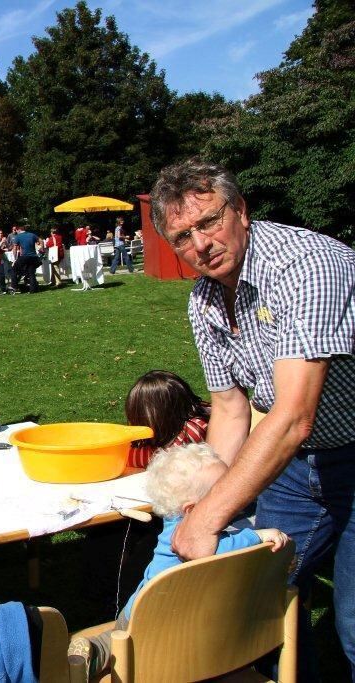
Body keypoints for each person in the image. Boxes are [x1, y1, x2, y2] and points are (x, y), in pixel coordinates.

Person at [150, 158, 355, 679]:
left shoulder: (307, 266)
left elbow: (291, 417)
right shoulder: (205, 301)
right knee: (250, 599)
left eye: (209, 221)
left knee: (353, 624)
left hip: (335, 444)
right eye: (182, 236)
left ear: (240, 210)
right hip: (295, 463)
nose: (200, 244)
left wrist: (210, 516)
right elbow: (229, 407)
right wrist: (199, 496)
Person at [68, 443, 289, 679]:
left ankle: (96, 651)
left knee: (116, 638)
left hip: (163, 615)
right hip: (150, 619)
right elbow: (220, 551)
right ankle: (95, 651)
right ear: (191, 509)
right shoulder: (185, 540)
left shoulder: (188, 530)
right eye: (221, 492)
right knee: (122, 637)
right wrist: (257, 536)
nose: (232, 496)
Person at [124, 370, 210, 468]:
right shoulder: (173, 427)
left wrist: (123, 453)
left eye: (140, 418)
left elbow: (163, 458)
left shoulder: (194, 428)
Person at [10, 225, 43, 294]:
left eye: (16, 230)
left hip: (25, 257)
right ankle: (33, 290)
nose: (16, 232)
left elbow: (15, 248)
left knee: (13, 269)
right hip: (34, 257)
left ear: (19, 230)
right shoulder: (32, 235)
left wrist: (14, 259)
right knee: (31, 272)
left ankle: (14, 286)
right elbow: (41, 240)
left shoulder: (18, 236)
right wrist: (41, 248)